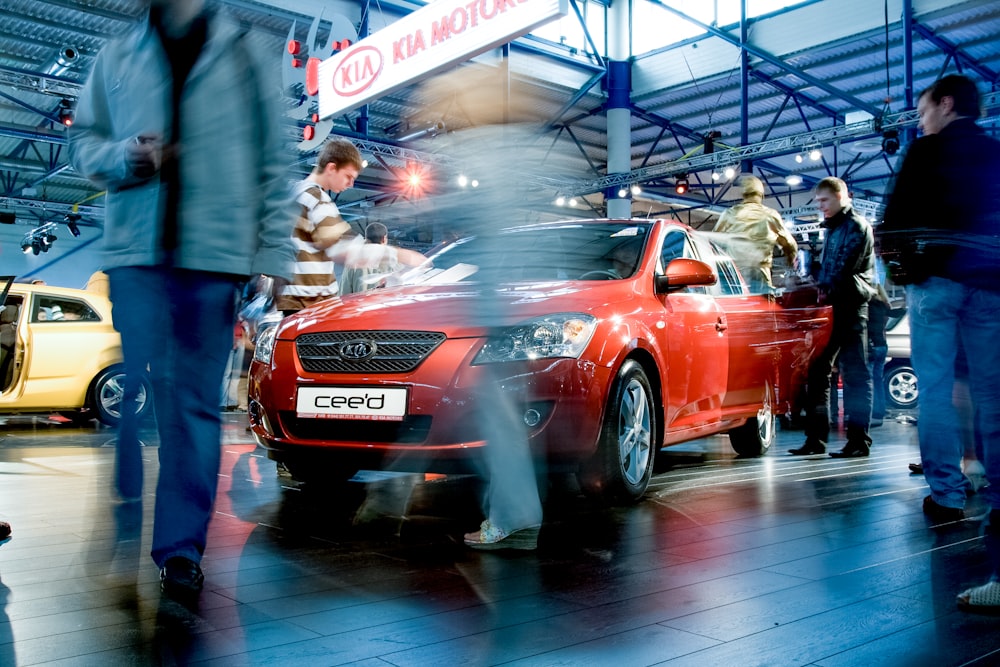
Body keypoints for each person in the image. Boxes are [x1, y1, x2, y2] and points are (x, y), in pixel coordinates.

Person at [69, 0, 295, 600]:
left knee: (191, 408)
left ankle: (179, 549)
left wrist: (272, 257)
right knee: (131, 402)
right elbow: (83, 146)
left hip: (213, 260)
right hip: (135, 257)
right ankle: (122, 514)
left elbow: (274, 165)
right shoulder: (117, 55)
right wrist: (125, 155)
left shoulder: (246, 55)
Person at [877, 74, 1000, 610]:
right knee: (993, 396)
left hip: (936, 284)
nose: (921, 118)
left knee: (935, 390)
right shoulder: (995, 151)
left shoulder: (923, 152)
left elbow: (894, 219)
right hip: (990, 285)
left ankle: (947, 496)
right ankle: (995, 496)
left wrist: (903, 273)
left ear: (946, 104)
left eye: (924, 108)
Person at [789, 177, 876, 458]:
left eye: (824, 200)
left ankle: (857, 441)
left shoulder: (855, 227)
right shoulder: (835, 228)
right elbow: (832, 271)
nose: (820, 206)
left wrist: (813, 284)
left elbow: (841, 270)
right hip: (833, 308)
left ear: (840, 196)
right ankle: (817, 439)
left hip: (850, 308)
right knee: (819, 373)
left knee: (854, 376)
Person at [276, 138, 363, 316]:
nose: (350, 184)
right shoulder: (317, 199)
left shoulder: (292, 193)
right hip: (313, 304)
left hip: (289, 301)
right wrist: (398, 255)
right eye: (348, 176)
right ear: (331, 168)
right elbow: (340, 250)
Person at [713, 174, 799, 291]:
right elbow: (790, 243)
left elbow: (712, 242)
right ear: (762, 195)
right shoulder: (770, 215)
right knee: (762, 305)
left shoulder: (729, 214)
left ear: (744, 194)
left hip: (734, 277)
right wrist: (791, 259)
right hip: (761, 276)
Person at [338, 223, 427, 295]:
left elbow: (344, 292)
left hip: (359, 312)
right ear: (384, 239)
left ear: (366, 238)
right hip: (383, 311)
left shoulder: (352, 262)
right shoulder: (394, 259)